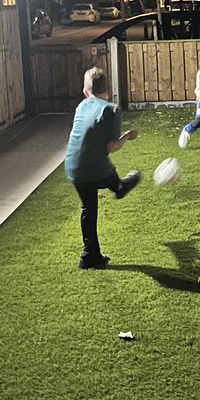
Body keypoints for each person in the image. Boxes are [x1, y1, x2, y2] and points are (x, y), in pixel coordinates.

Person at [64, 66, 140, 269]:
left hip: (72, 167)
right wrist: (127, 136)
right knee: (106, 172)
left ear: (85, 91)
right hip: (94, 169)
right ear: (108, 89)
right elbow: (111, 146)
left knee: (88, 208)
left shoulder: (81, 106)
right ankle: (119, 187)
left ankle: (90, 255)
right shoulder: (111, 109)